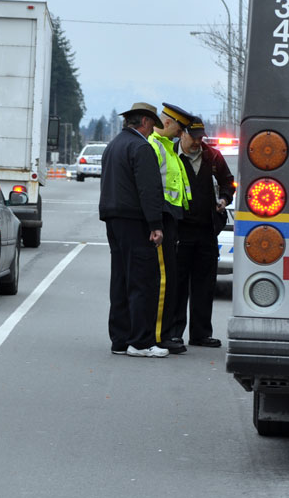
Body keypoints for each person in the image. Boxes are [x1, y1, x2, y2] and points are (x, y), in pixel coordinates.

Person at [98, 102, 168, 358]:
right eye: (152, 126)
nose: (152, 132)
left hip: (113, 218)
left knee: (120, 279)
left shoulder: (113, 146)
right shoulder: (141, 147)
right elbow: (148, 190)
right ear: (146, 122)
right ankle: (140, 342)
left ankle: (120, 339)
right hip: (135, 221)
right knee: (142, 281)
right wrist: (155, 225)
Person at [171, 115, 234, 349]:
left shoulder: (213, 156)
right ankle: (174, 332)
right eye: (193, 137)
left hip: (206, 231)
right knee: (177, 286)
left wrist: (224, 199)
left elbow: (229, 182)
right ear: (182, 134)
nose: (198, 142)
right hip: (180, 231)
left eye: (201, 138)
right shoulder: (172, 155)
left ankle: (201, 333)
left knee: (204, 285)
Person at [150, 102, 193, 354]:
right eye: (179, 129)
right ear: (167, 123)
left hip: (173, 220)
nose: (181, 135)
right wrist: (156, 223)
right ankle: (158, 336)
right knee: (163, 280)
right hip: (163, 219)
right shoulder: (156, 147)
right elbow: (152, 188)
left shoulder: (169, 148)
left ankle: (165, 333)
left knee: (171, 279)